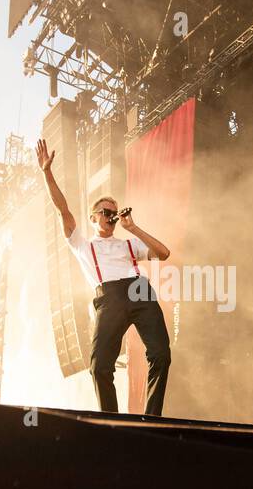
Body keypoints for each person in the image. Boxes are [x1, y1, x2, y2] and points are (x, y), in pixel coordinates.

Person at [37, 138, 173, 416]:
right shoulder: (82, 244)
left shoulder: (127, 244)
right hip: (109, 297)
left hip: (139, 291)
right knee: (99, 367)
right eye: (106, 212)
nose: (111, 216)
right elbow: (63, 209)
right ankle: (111, 421)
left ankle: (151, 418)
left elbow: (164, 253)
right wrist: (47, 173)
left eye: (114, 211)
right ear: (93, 217)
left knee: (161, 354)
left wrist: (133, 227)